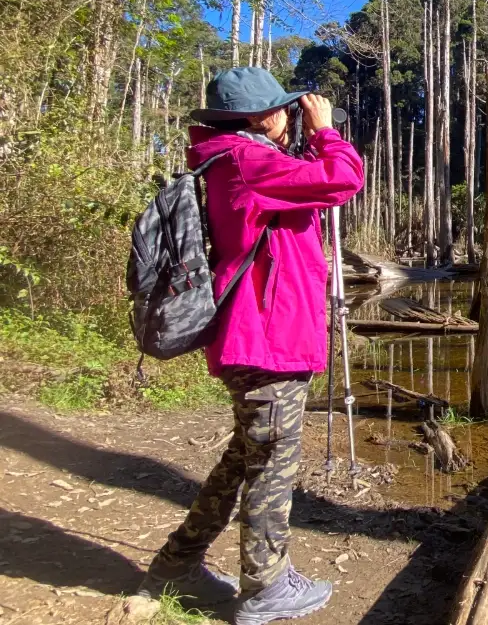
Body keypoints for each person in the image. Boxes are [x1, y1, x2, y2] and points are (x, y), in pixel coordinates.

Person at [136, 67, 363, 625]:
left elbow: (303, 194)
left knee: (244, 459)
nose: (293, 115)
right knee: (272, 465)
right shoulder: (246, 160)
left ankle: (176, 565)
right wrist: (328, 131)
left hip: (264, 338)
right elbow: (341, 179)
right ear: (262, 117)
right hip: (267, 343)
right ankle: (265, 586)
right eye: (285, 109)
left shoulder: (240, 161)